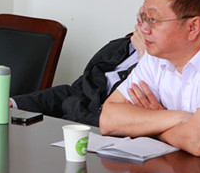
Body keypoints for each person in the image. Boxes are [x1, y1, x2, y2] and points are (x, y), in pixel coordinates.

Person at [100, 0, 200, 156]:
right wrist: (181, 118)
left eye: (153, 20)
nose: (144, 29)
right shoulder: (158, 51)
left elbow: (199, 141)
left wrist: (149, 125)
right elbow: (108, 119)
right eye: (143, 17)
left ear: (193, 27)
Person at [12, 25, 146, 127]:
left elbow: (122, 121)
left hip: (102, 137)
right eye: (143, 5)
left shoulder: (154, 68)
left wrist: (146, 59)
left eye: (151, 15)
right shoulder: (118, 47)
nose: (141, 13)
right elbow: (76, 91)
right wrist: (14, 103)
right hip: (72, 128)